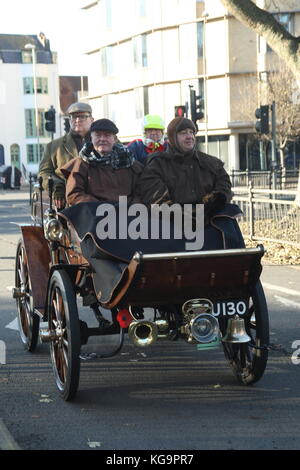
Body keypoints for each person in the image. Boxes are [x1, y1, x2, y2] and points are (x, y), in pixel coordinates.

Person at [138, 116, 233, 223]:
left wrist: (215, 201)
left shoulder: (210, 162)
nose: (189, 136)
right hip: (173, 228)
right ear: (172, 137)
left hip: (210, 222)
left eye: (191, 132)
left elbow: (224, 182)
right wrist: (185, 218)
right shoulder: (157, 165)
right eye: (183, 133)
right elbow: (157, 201)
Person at [61, 118, 143, 206]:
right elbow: (74, 194)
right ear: (91, 138)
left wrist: (126, 208)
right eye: (98, 135)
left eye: (107, 135)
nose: (102, 139)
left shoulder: (129, 161)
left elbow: (141, 191)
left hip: (127, 214)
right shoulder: (81, 163)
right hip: (92, 214)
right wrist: (101, 207)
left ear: (114, 139)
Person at [38, 101, 94, 209]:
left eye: (82, 116)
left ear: (91, 120)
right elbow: (44, 173)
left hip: (99, 203)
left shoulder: (103, 142)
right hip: (67, 205)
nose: (77, 120)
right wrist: (56, 187)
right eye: (73, 117)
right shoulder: (53, 146)